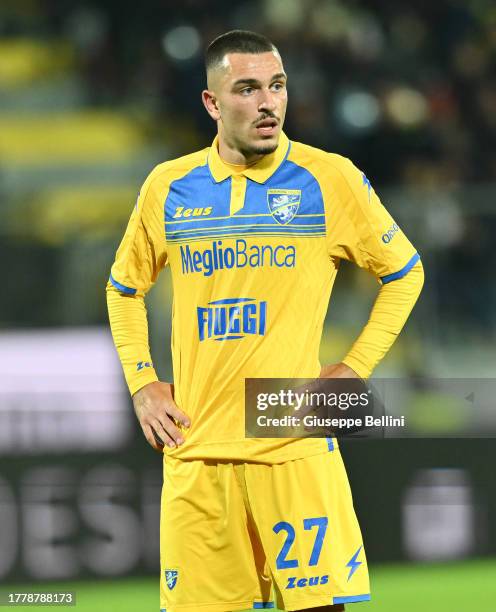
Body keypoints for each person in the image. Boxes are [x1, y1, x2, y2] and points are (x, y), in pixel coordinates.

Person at [107, 30, 424, 612]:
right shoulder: (167, 186)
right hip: (197, 452)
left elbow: (405, 273)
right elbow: (124, 288)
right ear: (212, 103)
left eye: (276, 86)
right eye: (247, 89)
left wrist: (355, 368)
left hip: (293, 444)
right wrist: (142, 383)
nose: (267, 103)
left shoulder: (330, 178)